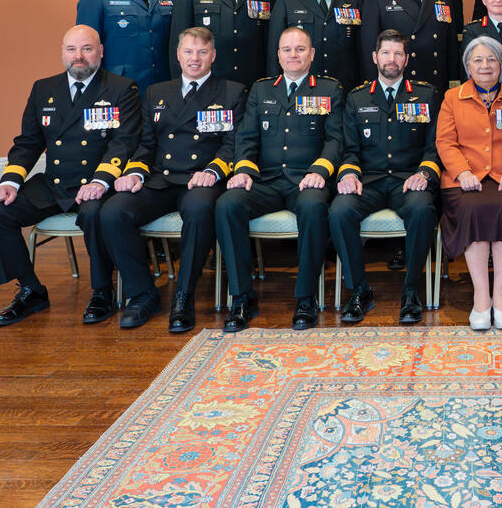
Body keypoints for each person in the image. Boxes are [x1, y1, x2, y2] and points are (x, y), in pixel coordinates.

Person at [0, 25, 141, 326]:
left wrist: (99, 181)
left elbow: (124, 142)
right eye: (71, 49)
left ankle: (101, 291)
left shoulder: (121, 88)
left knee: (95, 215)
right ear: (62, 53)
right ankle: (31, 289)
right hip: (55, 183)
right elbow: (28, 143)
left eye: (87, 49)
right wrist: (9, 182)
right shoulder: (44, 89)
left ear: (100, 52)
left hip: (98, 184)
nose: (79, 56)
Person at [100, 26, 246, 331]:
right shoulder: (156, 92)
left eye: (202, 52)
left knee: (198, 210)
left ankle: (184, 295)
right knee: (113, 211)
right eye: (189, 52)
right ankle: (142, 294)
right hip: (160, 179)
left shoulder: (231, 92)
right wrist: (134, 172)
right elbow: (145, 145)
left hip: (202, 179)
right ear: (178, 55)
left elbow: (234, 144)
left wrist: (212, 171)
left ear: (213, 56)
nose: (195, 59)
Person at [215, 27, 344, 332]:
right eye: (287, 49)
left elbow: (336, 140)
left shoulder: (329, 89)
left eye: (300, 49)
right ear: (278, 55)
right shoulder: (261, 90)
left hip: (307, 180)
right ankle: (242, 297)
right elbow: (246, 137)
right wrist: (244, 170)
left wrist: (320, 170)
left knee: (314, 208)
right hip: (267, 181)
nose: (293, 55)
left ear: (312, 55)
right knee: (227, 204)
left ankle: (305, 298)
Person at [329, 30, 442, 325]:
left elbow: (434, 147)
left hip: (409, 179)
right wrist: (349, 174)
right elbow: (349, 149)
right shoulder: (356, 98)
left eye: (398, 54)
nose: (391, 59)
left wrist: (425, 172)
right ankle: (359, 290)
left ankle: (410, 291)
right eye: (386, 53)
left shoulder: (427, 95)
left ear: (406, 59)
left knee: (422, 210)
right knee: (339, 211)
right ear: (375, 57)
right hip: (370, 181)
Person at [436, 37, 502, 331]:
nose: (485, 66)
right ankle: (481, 295)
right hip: (465, 181)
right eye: (478, 60)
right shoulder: (451, 98)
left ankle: (501, 293)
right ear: (468, 65)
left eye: (492, 59)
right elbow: (445, 142)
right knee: (472, 208)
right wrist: (461, 172)